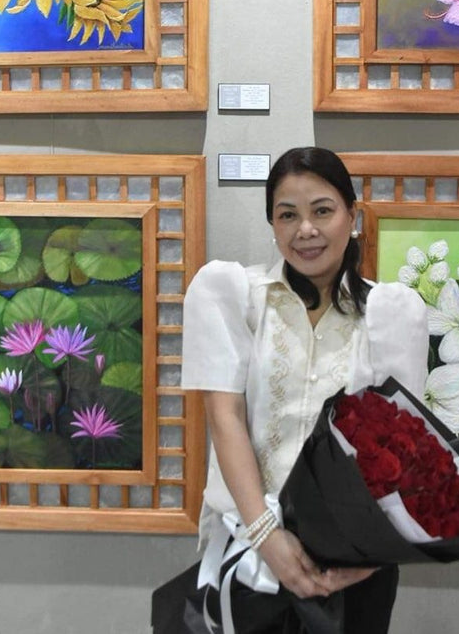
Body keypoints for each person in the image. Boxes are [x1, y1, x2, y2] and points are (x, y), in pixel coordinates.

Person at [180, 147, 429, 633]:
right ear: (272, 224)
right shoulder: (234, 297)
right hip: (248, 547)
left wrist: (368, 557)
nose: (305, 230)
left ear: (352, 216)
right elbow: (224, 419)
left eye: (322, 210)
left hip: (354, 561)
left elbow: (404, 443)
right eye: (287, 215)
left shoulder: (392, 313)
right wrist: (267, 537)